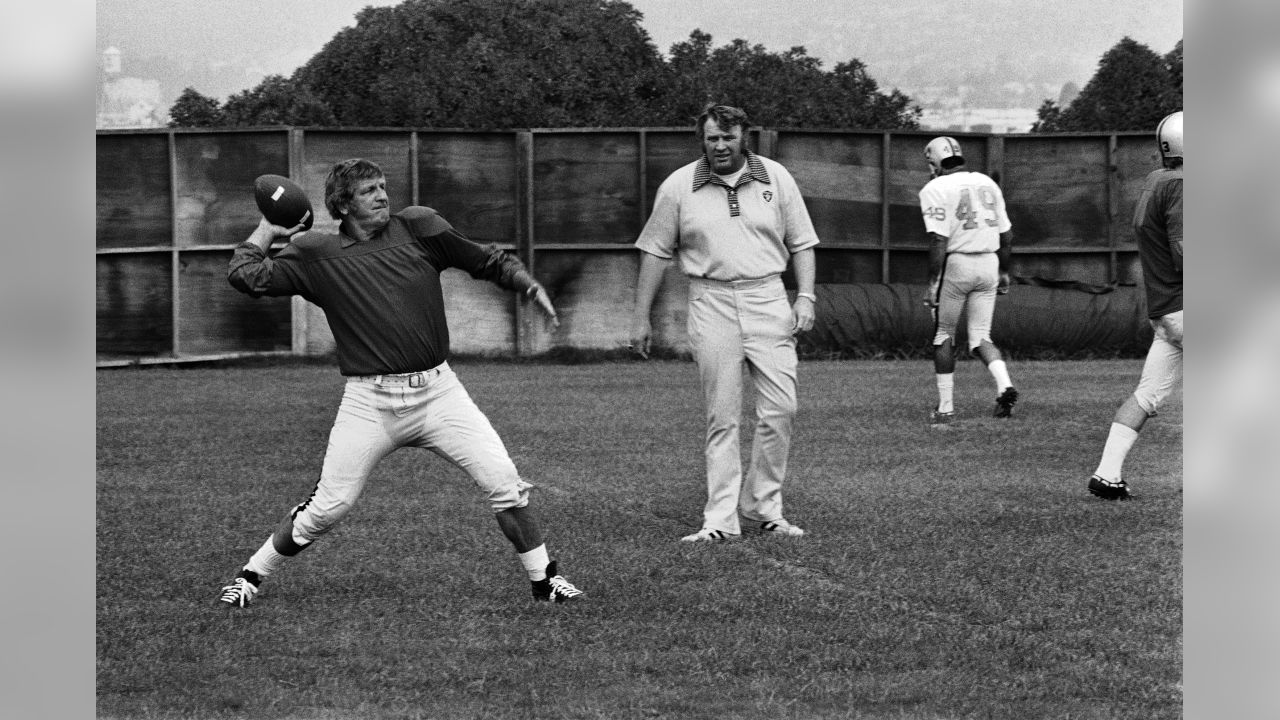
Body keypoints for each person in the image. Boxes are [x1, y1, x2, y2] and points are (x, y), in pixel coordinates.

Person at [218, 158, 585, 605]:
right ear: (343, 204)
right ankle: (250, 576)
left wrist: (528, 285)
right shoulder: (316, 252)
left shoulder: (418, 227)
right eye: (369, 190)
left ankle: (545, 582)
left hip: (438, 393)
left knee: (504, 482)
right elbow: (246, 275)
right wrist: (268, 228)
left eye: (383, 186)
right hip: (369, 402)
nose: (382, 196)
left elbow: (485, 259)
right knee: (328, 509)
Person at [629, 104, 818, 542]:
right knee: (722, 415)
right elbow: (655, 250)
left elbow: (803, 241)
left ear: (743, 137)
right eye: (712, 138)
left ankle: (764, 507)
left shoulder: (776, 177)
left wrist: (805, 295)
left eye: (727, 138)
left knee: (781, 408)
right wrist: (641, 317)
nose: (719, 146)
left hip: (769, 298)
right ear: (703, 139)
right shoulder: (678, 186)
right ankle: (719, 521)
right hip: (710, 301)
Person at [1088, 111, 1183, 501]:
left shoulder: (1154, 181)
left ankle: (1106, 474)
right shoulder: (1183, 184)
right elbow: (1185, 249)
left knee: (1146, 395)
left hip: (1166, 311)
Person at [918, 136, 1018, 426]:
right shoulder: (987, 182)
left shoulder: (934, 188)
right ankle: (1004, 386)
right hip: (989, 262)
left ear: (934, 161)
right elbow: (1007, 236)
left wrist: (933, 283)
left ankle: (946, 407)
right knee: (981, 337)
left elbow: (939, 238)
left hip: (959, 264)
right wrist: (1004, 272)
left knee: (943, 335)